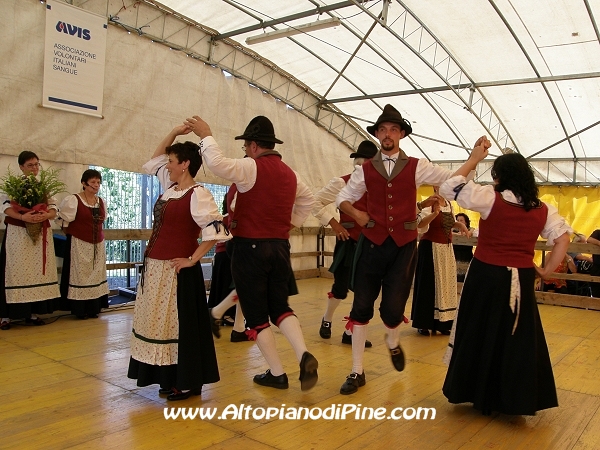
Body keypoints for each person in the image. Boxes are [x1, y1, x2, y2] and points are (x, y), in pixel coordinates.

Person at [335, 104, 490, 394]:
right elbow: (343, 198)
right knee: (361, 307)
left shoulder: (418, 166)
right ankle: (357, 371)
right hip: (371, 245)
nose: (388, 134)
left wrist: (473, 159)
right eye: (383, 130)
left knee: (393, 309)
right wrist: (356, 215)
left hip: (404, 248)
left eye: (393, 129)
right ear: (378, 135)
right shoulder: (365, 169)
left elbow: (450, 181)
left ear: (402, 134)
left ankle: (392, 342)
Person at [185, 114, 319, 391]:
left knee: (257, 315)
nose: (245, 151)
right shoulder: (291, 174)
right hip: (280, 247)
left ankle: (277, 373)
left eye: (246, 146)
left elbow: (218, 164)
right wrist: (289, 224)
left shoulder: (251, 167)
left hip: (250, 248)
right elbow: (308, 201)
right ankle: (303, 353)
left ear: (255, 145)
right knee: (280, 308)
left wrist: (206, 134)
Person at [440, 152, 572, 416]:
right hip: (520, 278)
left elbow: (448, 187)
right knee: (515, 337)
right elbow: (563, 238)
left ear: (499, 176)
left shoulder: (491, 198)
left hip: (486, 275)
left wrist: (474, 159)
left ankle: (476, 393)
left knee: (480, 330)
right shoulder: (542, 209)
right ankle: (513, 399)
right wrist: (545, 271)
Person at [127, 126, 231, 401]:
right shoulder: (170, 187)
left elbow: (215, 230)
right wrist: (174, 132)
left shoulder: (198, 194)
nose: (167, 166)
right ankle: (167, 376)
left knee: (178, 328)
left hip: (176, 271)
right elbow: (154, 159)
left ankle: (187, 382)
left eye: (172, 162)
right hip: (156, 269)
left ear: (184, 165)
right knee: (159, 326)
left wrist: (192, 259)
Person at [312, 140, 377, 347]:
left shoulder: (380, 188)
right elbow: (315, 202)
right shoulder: (342, 183)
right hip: (348, 243)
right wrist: (334, 224)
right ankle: (327, 319)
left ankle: (351, 332)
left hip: (370, 244)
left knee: (364, 290)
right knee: (340, 288)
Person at [0, 151, 61, 330]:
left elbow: (53, 208)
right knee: (14, 271)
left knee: (35, 271)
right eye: (30, 165)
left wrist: (46, 214)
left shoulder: (43, 185)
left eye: (36, 164)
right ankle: (5, 315)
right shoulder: (13, 185)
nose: (34, 168)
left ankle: (32, 312)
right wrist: (23, 218)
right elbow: (5, 208)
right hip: (18, 233)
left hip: (39, 232)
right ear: (21, 167)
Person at [411, 188, 469, 336]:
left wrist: (460, 225)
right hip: (430, 247)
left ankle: (443, 323)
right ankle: (424, 322)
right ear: (436, 187)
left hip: (446, 249)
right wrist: (434, 214)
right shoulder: (430, 203)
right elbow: (420, 225)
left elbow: (449, 222)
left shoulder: (449, 203)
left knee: (445, 285)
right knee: (429, 285)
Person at [56, 169, 109, 319]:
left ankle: (93, 308)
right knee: (79, 274)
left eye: (98, 182)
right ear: (84, 183)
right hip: (79, 243)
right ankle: (80, 309)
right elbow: (63, 222)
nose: (96, 185)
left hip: (97, 244)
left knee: (95, 274)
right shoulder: (74, 200)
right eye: (93, 182)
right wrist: (74, 234)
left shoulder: (101, 201)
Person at [207, 185, 248, 342]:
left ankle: (237, 326)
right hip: (229, 252)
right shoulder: (226, 218)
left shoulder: (223, 218)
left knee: (241, 286)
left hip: (224, 254)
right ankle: (221, 313)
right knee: (242, 285)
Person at [452, 213, 477, 282]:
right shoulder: (453, 230)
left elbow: (471, 231)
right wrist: (457, 234)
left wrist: (466, 232)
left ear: (466, 222)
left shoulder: (470, 229)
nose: (459, 222)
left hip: (466, 256)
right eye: (458, 220)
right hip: (455, 256)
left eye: (461, 220)